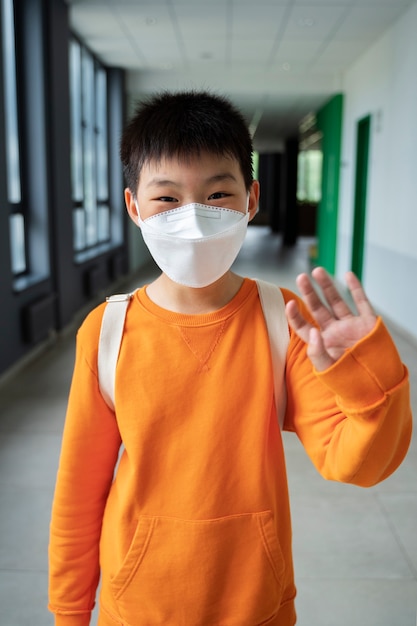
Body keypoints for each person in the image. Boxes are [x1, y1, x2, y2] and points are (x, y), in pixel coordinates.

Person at [48, 90, 412, 626]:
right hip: (138, 607)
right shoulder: (108, 331)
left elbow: (356, 462)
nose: (193, 219)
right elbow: (79, 492)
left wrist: (367, 379)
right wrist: (70, 612)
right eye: (167, 199)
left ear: (251, 199)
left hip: (256, 606)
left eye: (218, 194)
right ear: (133, 207)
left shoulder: (284, 320)